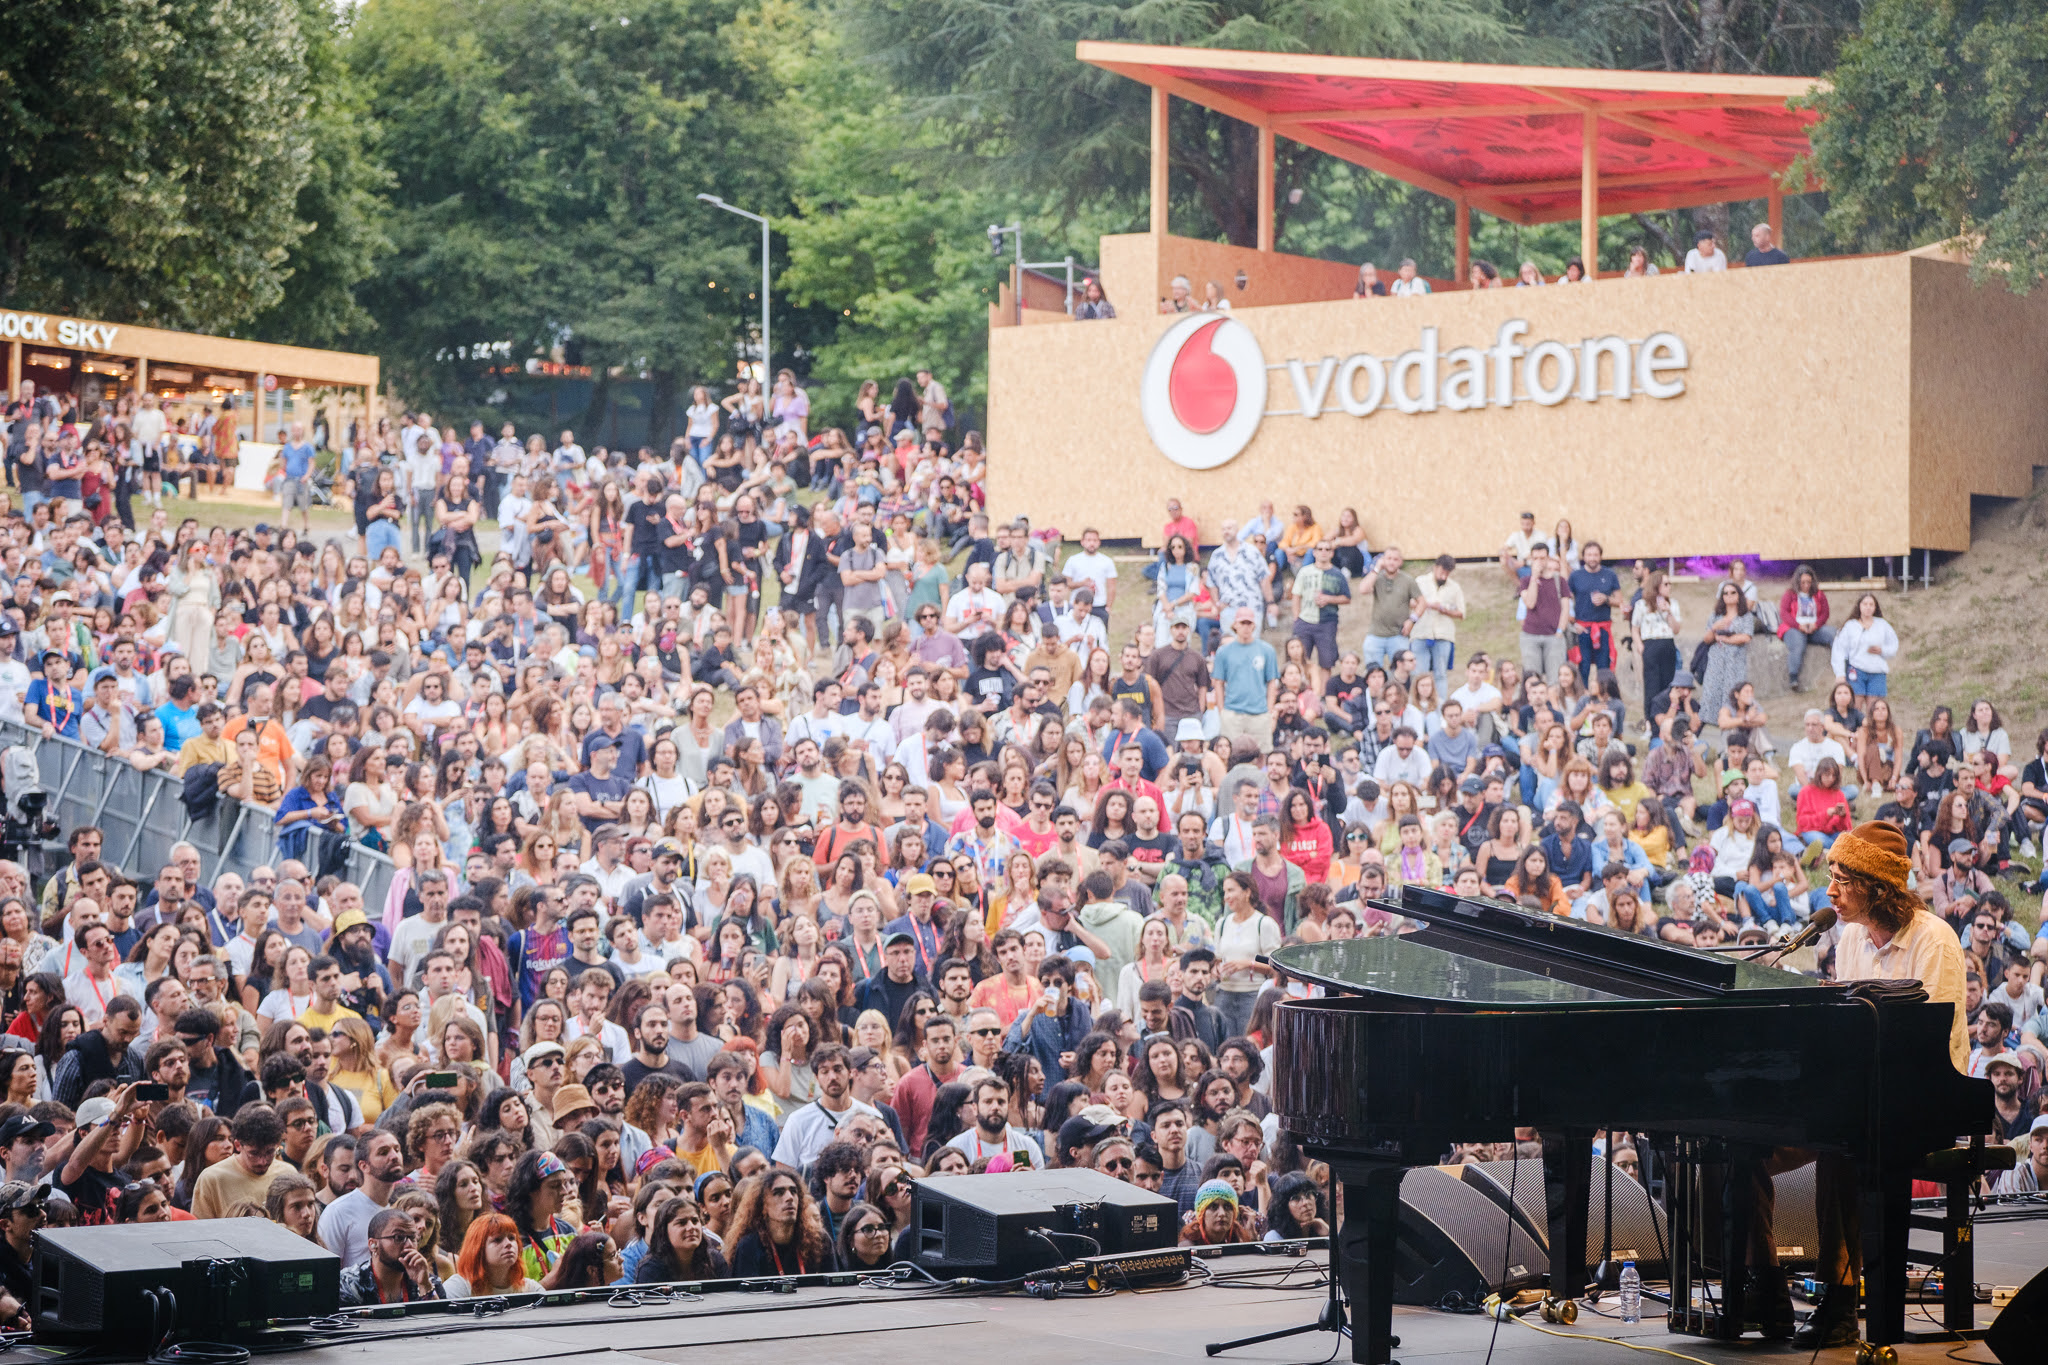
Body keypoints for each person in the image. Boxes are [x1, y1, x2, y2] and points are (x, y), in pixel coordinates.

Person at [1753, 820, 1967, 1349]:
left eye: (1843, 879)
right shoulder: (1849, 936)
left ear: (1879, 885)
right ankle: (1763, 1292)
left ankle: (1839, 1301)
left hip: (1927, 1104)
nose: (1830, 891)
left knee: (1841, 1144)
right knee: (1744, 1147)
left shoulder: (1933, 940)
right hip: (1857, 1099)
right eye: (1831, 876)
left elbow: (1926, 1049)